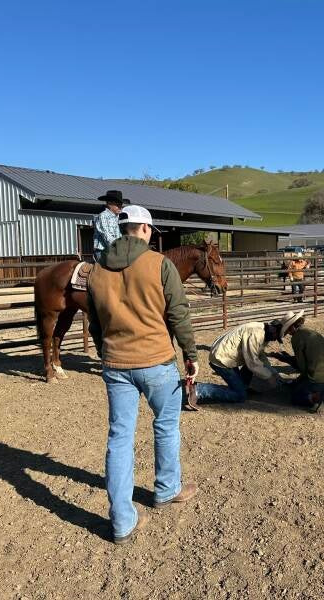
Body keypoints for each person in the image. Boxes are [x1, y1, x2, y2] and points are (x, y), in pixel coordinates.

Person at [87, 204, 199, 544]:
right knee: (166, 425)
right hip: (156, 362)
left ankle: (122, 521)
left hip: (116, 365)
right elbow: (178, 313)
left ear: (123, 229)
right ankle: (166, 488)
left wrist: (106, 351)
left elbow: (95, 324)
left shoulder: (96, 270)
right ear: (146, 229)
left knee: (119, 438)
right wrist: (191, 354)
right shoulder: (160, 264)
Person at [192, 315, 290, 404]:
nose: (274, 340)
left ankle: (243, 387)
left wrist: (274, 374)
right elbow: (252, 362)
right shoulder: (256, 334)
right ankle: (199, 390)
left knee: (252, 370)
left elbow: (260, 356)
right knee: (240, 395)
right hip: (222, 359)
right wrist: (269, 377)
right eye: (276, 337)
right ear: (274, 329)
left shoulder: (263, 331)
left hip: (228, 357)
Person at [285, 316, 324, 413]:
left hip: (320, 380)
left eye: (288, 330)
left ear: (292, 327)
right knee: (302, 383)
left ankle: (318, 398)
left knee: (295, 396)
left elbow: (303, 367)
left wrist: (288, 360)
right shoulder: (313, 333)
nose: (288, 333)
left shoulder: (297, 338)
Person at [92, 190, 124, 263]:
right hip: (103, 251)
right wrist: (119, 248)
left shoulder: (119, 217)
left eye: (121, 205)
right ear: (109, 204)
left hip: (116, 250)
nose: (120, 207)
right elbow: (106, 235)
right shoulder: (103, 216)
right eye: (118, 205)